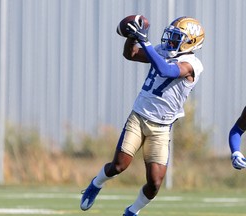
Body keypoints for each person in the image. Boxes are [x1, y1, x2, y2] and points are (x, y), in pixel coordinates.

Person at [80, 15, 205, 216]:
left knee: (155, 183)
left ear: (192, 42)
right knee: (119, 166)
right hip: (139, 117)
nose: (170, 40)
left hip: (162, 128)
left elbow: (167, 71)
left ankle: (132, 211)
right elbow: (130, 54)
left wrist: (144, 40)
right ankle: (95, 184)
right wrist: (133, 37)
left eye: (177, 37)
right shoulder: (163, 50)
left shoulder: (192, 63)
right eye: (171, 35)